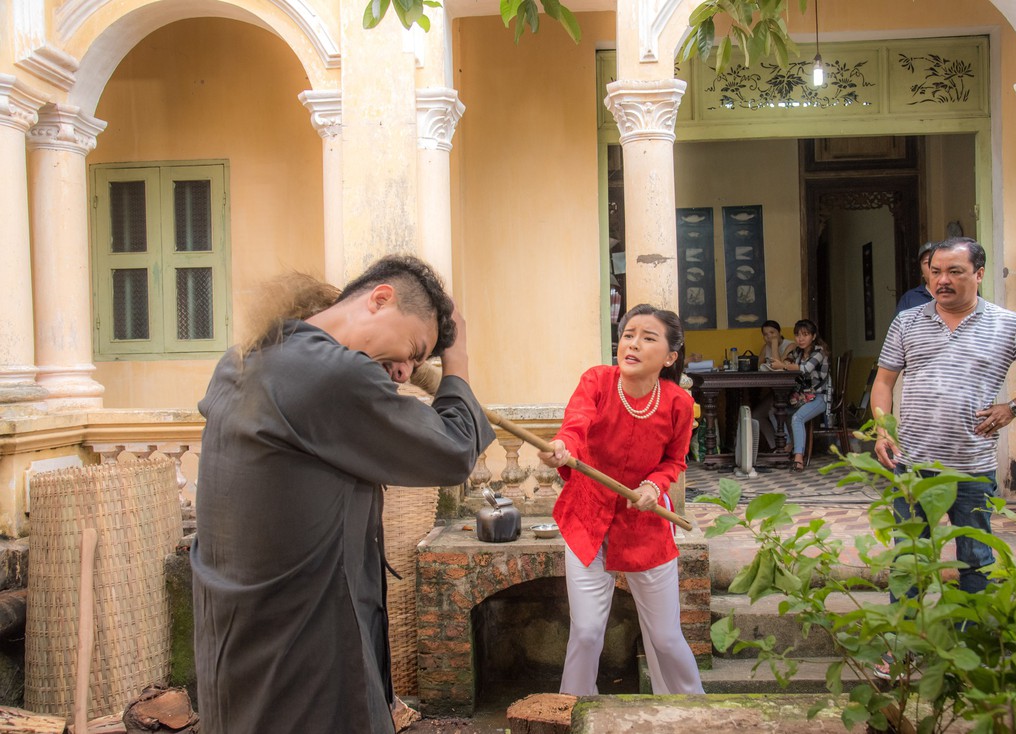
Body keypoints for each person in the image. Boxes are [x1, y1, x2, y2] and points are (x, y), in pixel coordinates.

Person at [191, 255, 494, 734]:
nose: (404, 370)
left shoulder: (249, 357)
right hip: (305, 645)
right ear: (380, 299)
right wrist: (456, 361)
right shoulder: (330, 374)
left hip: (239, 638)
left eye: (416, 364)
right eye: (415, 348)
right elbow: (453, 452)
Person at [870, 237, 1016, 677]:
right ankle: (901, 650)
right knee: (909, 558)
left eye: (955, 272)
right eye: (936, 271)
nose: (942, 280)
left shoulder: (1008, 324)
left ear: (979, 274)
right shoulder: (907, 322)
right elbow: (884, 381)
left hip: (971, 465)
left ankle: (970, 651)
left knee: (974, 559)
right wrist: (883, 429)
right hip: (914, 465)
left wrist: (1013, 407)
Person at [538, 304, 704, 696]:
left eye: (648, 338)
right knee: (586, 631)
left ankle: (690, 712)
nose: (633, 344)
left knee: (664, 637)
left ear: (670, 356)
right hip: (588, 518)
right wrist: (562, 447)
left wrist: (653, 486)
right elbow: (574, 426)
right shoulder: (596, 381)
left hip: (645, 527)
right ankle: (576, 711)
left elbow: (673, 461)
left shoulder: (679, 402)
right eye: (629, 334)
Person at [767, 319, 829, 472]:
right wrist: (787, 361)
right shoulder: (798, 352)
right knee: (774, 411)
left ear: (813, 337)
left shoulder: (819, 352)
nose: (800, 339)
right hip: (801, 398)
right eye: (797, 335)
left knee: (797, 418)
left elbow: (805, 368)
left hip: (819, 398)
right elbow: (789, 359)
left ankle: (798, 457)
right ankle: (788, 444)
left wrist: (783, 366)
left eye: (805, 335)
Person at [753, 320, 796, 451]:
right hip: (775, 391)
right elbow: (758, 366)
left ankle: (786, 444)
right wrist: (769, 347)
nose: (769, 336)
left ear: (779, 332)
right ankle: (776, 446)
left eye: (772, 332)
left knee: (774, 410)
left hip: (791, 391)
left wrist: (775, 345)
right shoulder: (765, 347)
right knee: (756, 415)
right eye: (765, 334)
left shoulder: (791, 346)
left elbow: (779, 370)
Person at [895, 240, 936, 315]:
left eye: (934, 260)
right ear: (921, 271)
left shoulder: (955, 292)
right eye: (926, 262)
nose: (931, 265)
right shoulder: (909, 298)